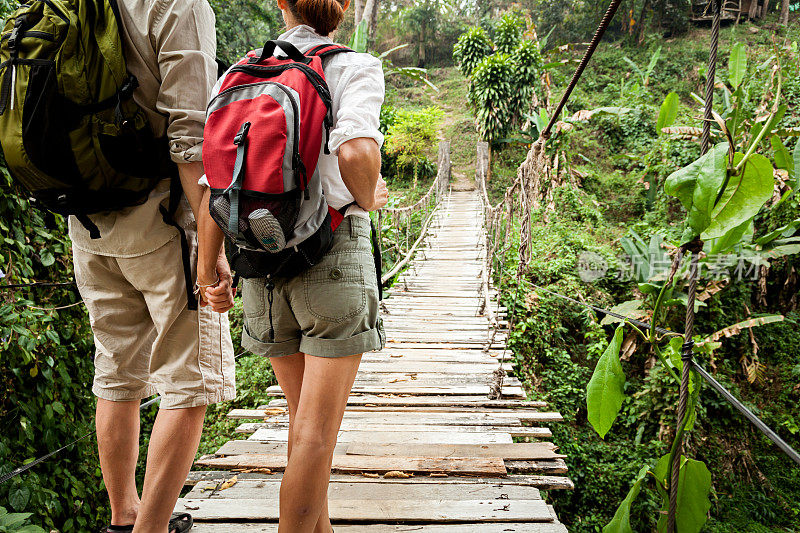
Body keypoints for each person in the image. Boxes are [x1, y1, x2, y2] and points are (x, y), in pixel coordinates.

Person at [198, 1, 387, 531]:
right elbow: (353, 153)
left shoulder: (240, 73)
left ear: (281, 3)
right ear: (344, 6)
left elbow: (214, 184)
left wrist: (209, 269)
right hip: (330, 255)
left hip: (258, 261)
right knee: (315, 435)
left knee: (301, 422)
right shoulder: (352, 66)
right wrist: (371, 198)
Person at [67, 1, 237, 532]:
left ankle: (125, 518)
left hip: (87, 219)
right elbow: (191, 140)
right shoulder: (179, 5)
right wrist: (212, 256)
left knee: (116, 370)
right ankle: (151, 529)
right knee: (190, 380)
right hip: (162, 221)